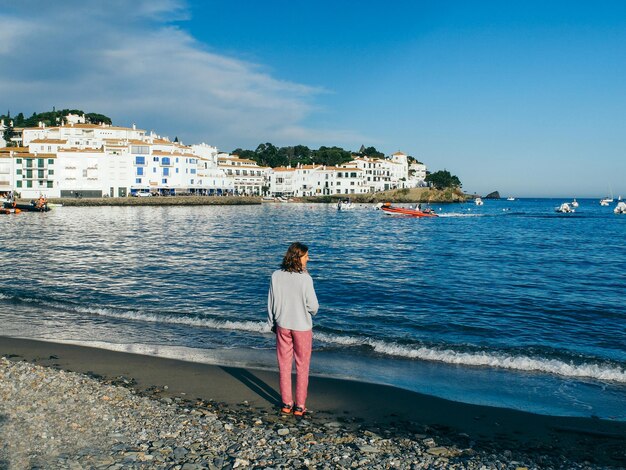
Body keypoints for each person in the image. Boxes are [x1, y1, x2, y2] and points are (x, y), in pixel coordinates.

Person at [267, 242, 319, 417]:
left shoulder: (276, 275)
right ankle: (300, 406)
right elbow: (314, 307)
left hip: (282, 325)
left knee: (284, 365)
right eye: (306, 256)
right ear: (298, 258)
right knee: (302, 366)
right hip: (302, 327)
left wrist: (272, 322)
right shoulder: (305, 278)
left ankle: (286, 403)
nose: (308, 259)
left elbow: (271, 303)